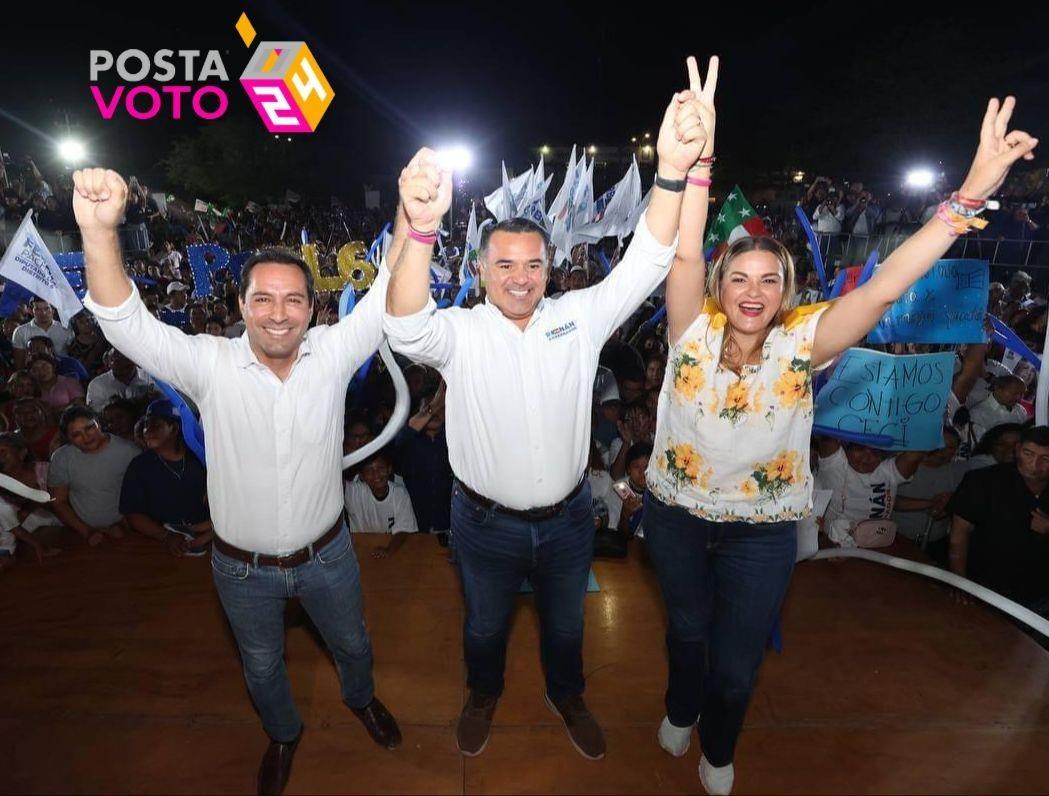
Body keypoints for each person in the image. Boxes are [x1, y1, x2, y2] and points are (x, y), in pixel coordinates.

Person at [643, 78, 1036, 795]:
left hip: (761, 532)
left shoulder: (803, 342)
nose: (753, 290)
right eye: (739, 277)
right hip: (674, 517)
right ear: (720, 287)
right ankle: (678, 704)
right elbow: (682, 257)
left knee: (735, 665)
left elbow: (884, 287)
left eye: (770, 278)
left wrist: (967, 199)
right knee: (685, 634)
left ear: (786, 290)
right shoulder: (687, 331)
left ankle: (720, 745)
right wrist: (698, 160)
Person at [383, 63, 705, 760]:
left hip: (566, 520)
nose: (520, 277)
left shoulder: (578, 318)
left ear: (550, 268)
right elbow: (404, 325)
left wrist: (673, 171)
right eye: (504, 265)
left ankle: (568, 695)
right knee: (483, 628)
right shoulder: (460, 333)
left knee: (565, 629)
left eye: (532, 264)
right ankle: (482, 694)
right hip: (483, 523)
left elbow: (648, 261)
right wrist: (417, 226)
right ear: (479, 271)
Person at [72, 165, 407, 796]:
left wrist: (413, 215)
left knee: (355, 647)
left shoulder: (334, 354)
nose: (278, 315)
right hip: (239, 568)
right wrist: (97, 230)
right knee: (260, 666)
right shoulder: (208, 363)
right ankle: (283, 735)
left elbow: (391, 289)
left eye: (293, 300)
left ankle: (361, 700)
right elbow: (125, 323)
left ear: (314, 308)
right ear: (240, 305)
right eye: (263, 299)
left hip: (329, 556)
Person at [948, 426, 1049, 618]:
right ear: (1018, 449)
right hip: (988, 588)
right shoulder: (983, 481)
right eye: (1028, 453)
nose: (1035, 464)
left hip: (1042, 593)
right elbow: (959, 533)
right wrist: (959, 580)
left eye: (1046, 458)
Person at [119, 399, 212, 556]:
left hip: (207, 542)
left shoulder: (201, 460)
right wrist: (167, 536)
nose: (147, 431)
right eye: (146, 425)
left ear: (175, 429)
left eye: (155, 425)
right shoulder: (140, 466)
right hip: (158, 544)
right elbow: (133, 513)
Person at [48, 405, 140, 546]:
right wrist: (87, 532)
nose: (86, 437)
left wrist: (126, 523)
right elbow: (58, 501)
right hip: (80, 532)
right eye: (76, 434)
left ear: (98, 422)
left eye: (89, 428)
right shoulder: (62, 458)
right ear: (68, 438)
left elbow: (143, 496)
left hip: (129, 528)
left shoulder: (129, 451)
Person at [343, 448, 418, 559]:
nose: (376, 474)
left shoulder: (399, 493)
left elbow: (404, 529)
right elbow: (335, 480)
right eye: (369, 470)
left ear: (389, 469)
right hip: (361, 551)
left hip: (392, 549)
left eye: (381, 468)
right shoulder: (354, 492)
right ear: (361, 476)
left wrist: (389, 550)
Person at [12, 298, 74, 369]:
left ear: (53, 310)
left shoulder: (65, 329)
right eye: (37, 309)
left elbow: (73, 355)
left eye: (47, 308)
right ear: (31, 311)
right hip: (35, 374)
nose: (43, 313)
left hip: (63, 372)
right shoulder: (20, 331)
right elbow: (19, 363)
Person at [85, 349, 154, 411]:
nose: (123, 363)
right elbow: (94, 412)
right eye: (116, 360)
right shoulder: (97, 385)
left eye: (127, 358)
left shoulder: (150, 378)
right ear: (107, 362)